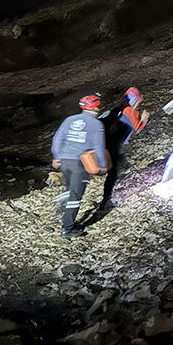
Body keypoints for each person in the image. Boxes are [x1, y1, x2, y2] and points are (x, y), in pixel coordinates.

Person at [50, 93, 108, 238]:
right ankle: (67, 228)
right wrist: (102, 165)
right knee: (76, 195)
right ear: (95, 107)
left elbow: (57, 138)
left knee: (69, 189)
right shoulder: (96, 124)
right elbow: (99, 146)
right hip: (80, 163)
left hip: (65, 160)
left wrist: (56, 156)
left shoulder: (70, 119)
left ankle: (63, 213)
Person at [99, 87, 149, 209]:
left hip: (102, 145)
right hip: (114, 148)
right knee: (113, 173)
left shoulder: (113, 110)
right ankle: (106, 200)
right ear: (137, 101)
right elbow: (135, 130)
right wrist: (144, 120)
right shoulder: (133, 114)